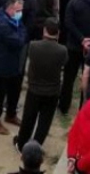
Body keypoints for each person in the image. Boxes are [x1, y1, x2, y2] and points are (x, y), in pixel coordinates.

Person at [15, 18, 67, 150]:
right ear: (58, 33)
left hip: (34, 89)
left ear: (44, 30)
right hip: (52, 91)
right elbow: (63, 63)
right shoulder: (62, 50)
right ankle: (36, 146)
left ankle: (21, 144)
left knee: (28, 118)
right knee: (45, 121)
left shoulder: (33, 46)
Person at [0, 0, 28, 135]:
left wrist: (21, 33)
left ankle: (11, 114)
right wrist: (21, 34)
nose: (20, 13)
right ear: (10, 8)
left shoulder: (13, 20)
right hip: (3, 64)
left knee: (15, 90)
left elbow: (23, 30)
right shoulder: (3, 24)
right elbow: (19, 41)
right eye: (18, 10)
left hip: (14, 62)